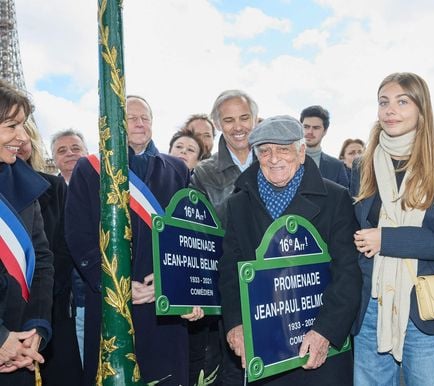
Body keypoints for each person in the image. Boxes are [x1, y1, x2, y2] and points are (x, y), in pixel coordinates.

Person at [219, 115, 361, 385]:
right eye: (265, 150)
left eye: (283, 149)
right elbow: (230, 270)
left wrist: (325, 332)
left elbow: (348, 273)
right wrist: (236, 324)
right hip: (265, 347)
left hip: (319, 348)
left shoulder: (336, 198)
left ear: (302, 152)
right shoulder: (238, 204)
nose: (274, 158)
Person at [65, 95, 195, 386]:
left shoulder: (178, 169)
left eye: (145, 118)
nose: (139, 123)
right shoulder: (90, 168)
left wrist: (170, 281)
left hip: (163, 301)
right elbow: (78, 234)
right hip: (112, 299)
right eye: (131, 117)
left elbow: (190, 234)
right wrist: (113, 282)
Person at [350, 72, 434, 386]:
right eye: (383, 102)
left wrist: (386, 239)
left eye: (402, 101)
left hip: (424, 307)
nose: (391, 110)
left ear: (421, 109)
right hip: (371, 307)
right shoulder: (364, 166)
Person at [190, 89, 259, 385]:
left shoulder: (276, 159)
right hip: (228, 284)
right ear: (218, 124)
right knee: (234, 369)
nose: (238, 126)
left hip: (274, 280)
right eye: (229, 120)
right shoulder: (204, 173)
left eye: (244, 117)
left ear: (256, 119)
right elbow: (198, 234)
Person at [16, 120, 82, 385]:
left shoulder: (53, 187)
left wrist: (44, 291)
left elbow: (66, 246)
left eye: (26, 137)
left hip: (50, 304)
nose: (20, 143)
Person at [0, 80, 54, 386]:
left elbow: (42, 263)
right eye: (11, 126)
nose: (22, 137)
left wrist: (36, 329)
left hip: (19, 350)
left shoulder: (24, 185)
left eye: (24, 125)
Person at [50, 128, 88, 367]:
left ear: (86, 152)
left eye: (76, 148)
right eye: (62, 150)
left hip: (99, 293)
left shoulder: (109, 191)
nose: (70, 154)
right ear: (53, 159)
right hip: (62, 303)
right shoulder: (44, 195)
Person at [299, 105, 349, 188]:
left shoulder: (337, 166)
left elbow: (344, 199)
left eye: (316, 128)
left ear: (325, 131)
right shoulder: (287, 160)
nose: (310, 132)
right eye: (306, 127)